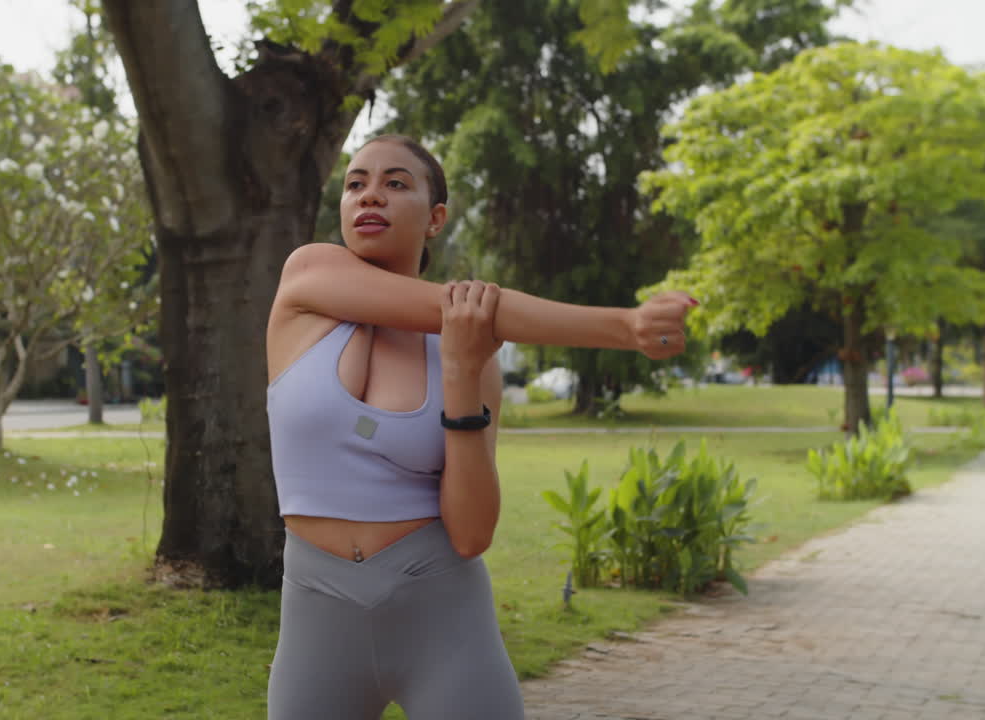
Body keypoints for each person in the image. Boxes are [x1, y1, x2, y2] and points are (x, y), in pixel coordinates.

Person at [264, 134, 696, 719]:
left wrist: (465, 372)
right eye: (356, 183)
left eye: (396, 183)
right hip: (317, 615)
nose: (370, 196)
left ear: (436, 218)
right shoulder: (306, 277)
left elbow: (470, 534)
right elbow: (474, 308)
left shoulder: (472, 350)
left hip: (442, 615)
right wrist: (626, 326)